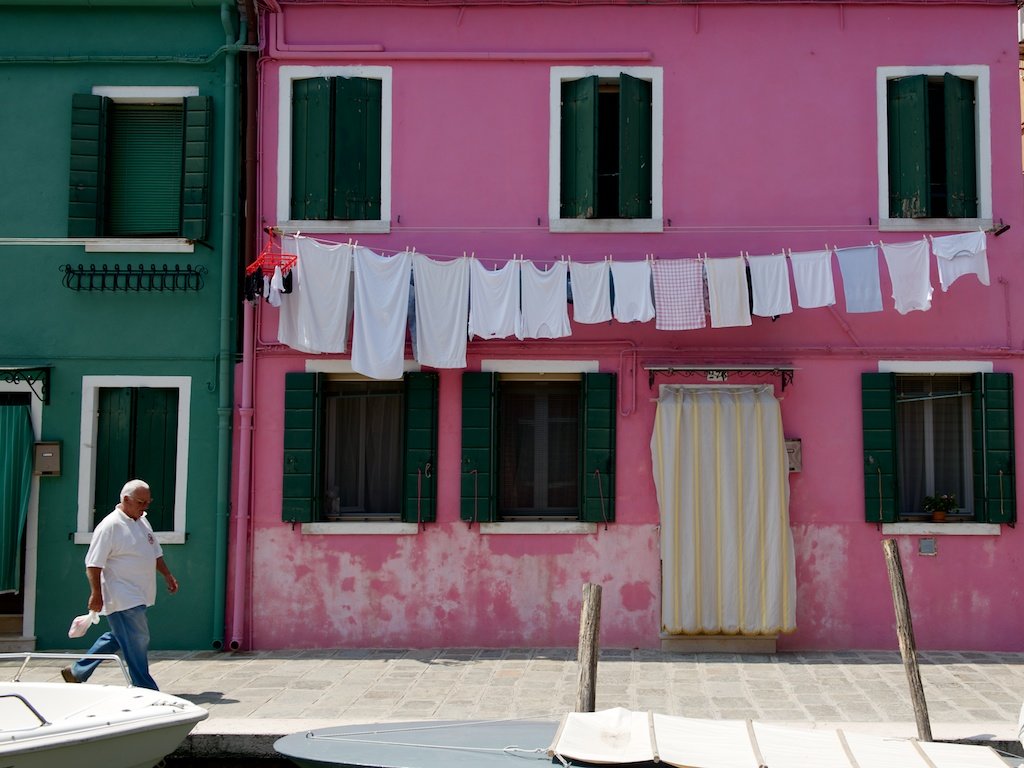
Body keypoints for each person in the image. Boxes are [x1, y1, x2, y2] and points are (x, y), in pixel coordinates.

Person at [62, 479, 178, 689]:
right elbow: (93, 564)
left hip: (140, 593)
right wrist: (96, 594)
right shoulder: (109, 526)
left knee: (120, 636)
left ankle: (78, 671)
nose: (144, 508)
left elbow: (155, 552)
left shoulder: (142, 521)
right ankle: (145, 687)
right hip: (121, 594)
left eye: (147, 503)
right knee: (138, 639)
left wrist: (167, 575)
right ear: (126, 499)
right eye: (140, 503)